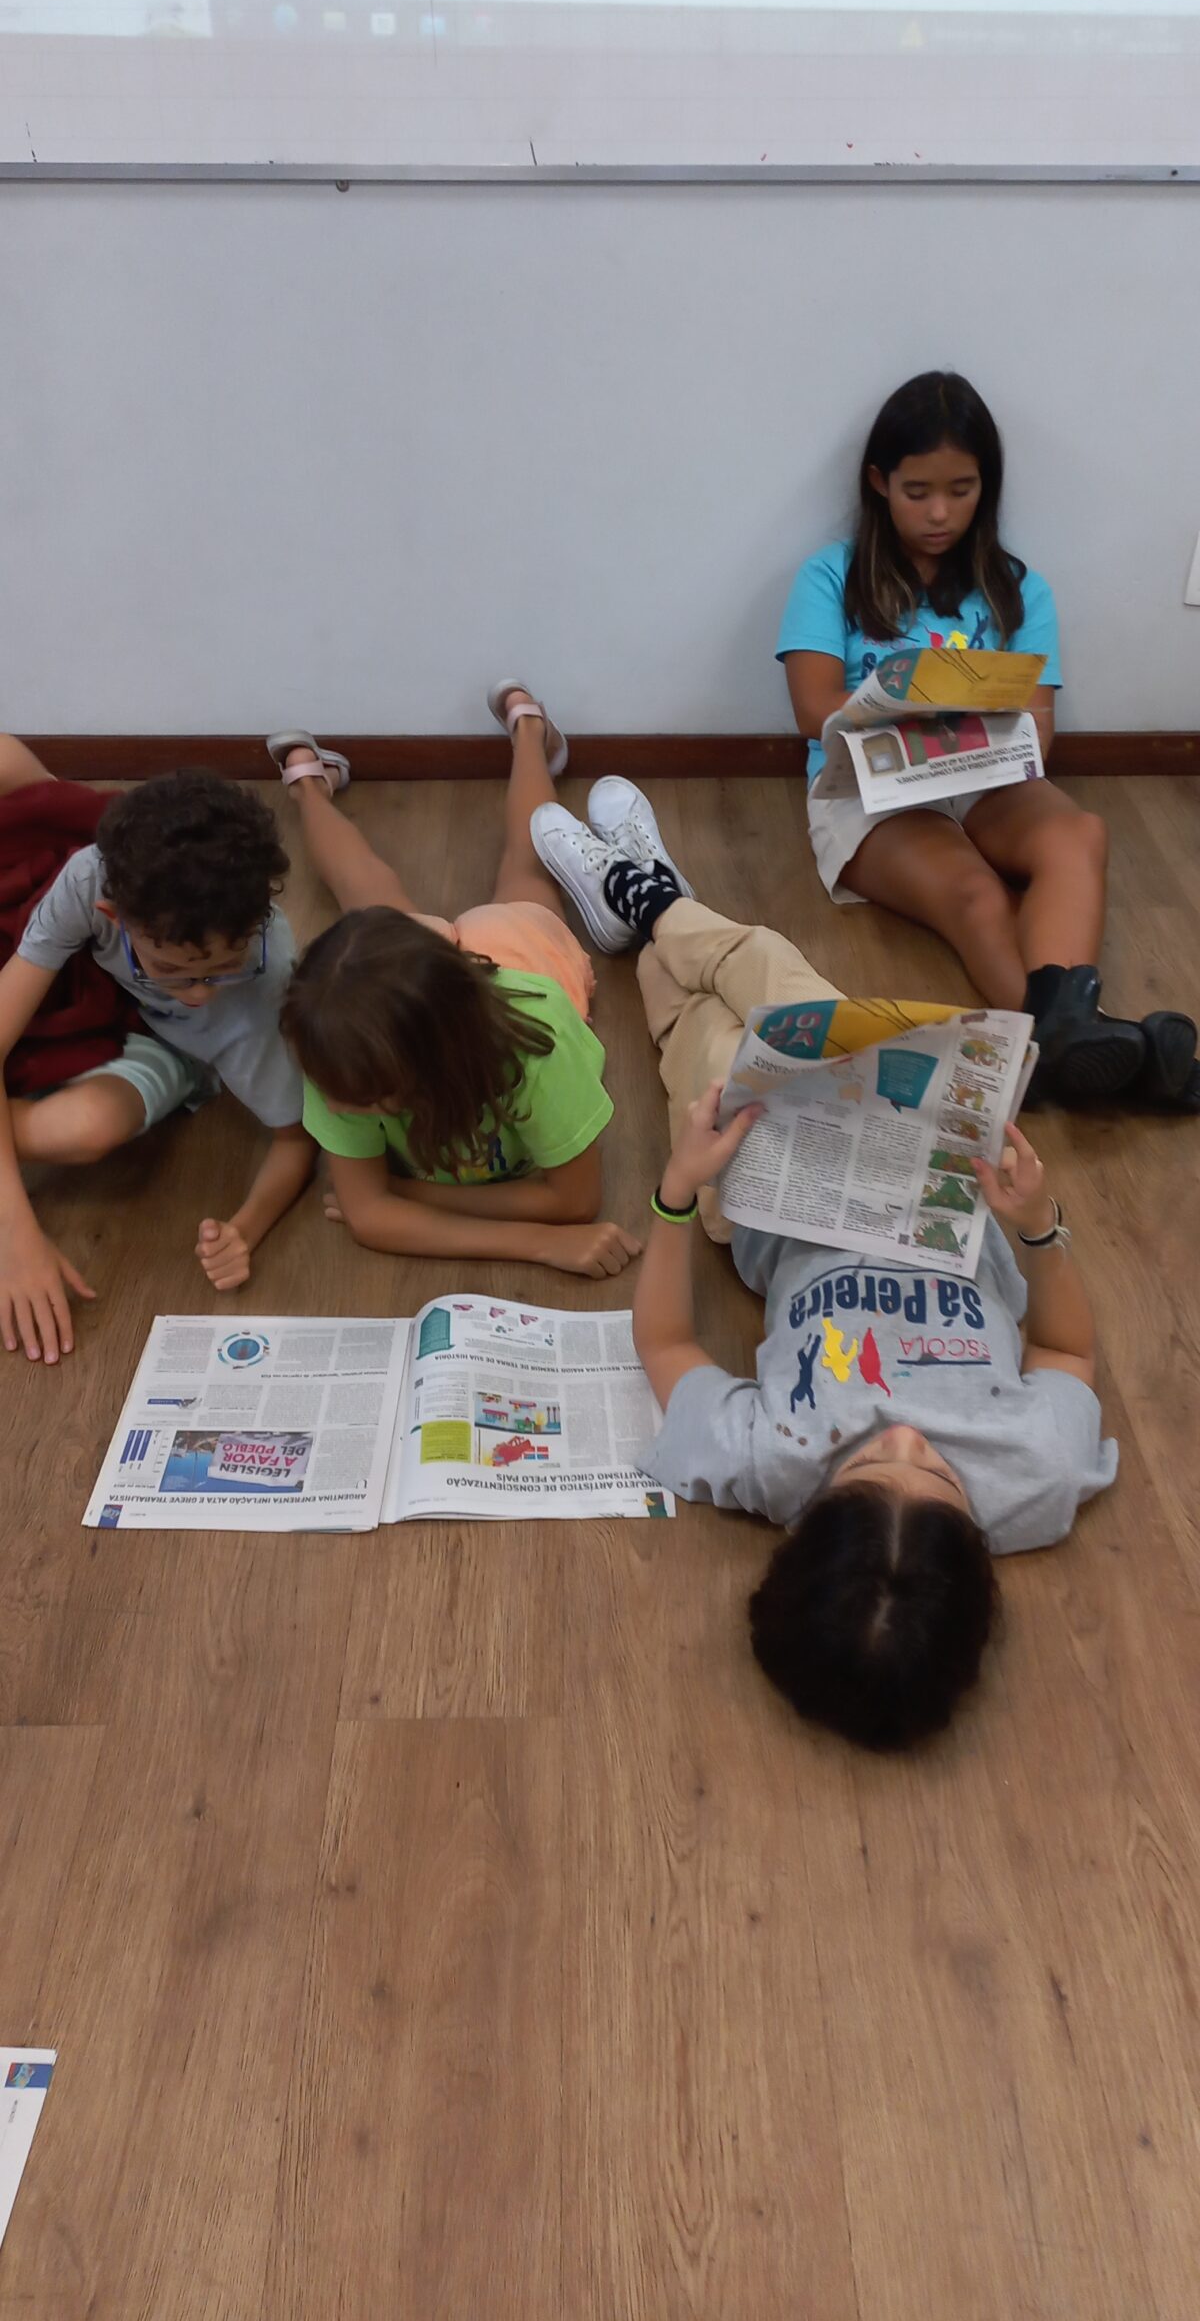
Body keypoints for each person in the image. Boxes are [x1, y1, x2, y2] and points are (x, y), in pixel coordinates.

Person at [530, 782, 1116, 1752]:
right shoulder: (1037, 1473)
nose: (904, 1436)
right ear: (977, 1549)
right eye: (939, 1472)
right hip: (934, 1161)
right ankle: (654, 894)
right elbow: (1067, 1351)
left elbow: (668, 1342)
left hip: (761, 1188)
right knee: (773, 976)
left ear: (805, 1524)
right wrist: (1040, 1228)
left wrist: (676, 1188)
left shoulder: (769, 1463)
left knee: (690, 1026)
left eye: (866, 1464)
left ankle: (645, 905)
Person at [776, 370, 1197, 1110]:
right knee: (973, 893)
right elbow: (814, 710)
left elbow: (1038, 729)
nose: (940, 512)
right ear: (879, 482)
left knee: (1078, 832)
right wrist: (913, 710)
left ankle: (1065, 1044)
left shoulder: (1017, 587)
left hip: (982, 775)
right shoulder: (830, 576)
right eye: (917, 492)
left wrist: (968, 736)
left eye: (961, 490)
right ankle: (1093, 1060)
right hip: (867, 787)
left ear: (987, 486)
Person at [272, 688, 640, 1281]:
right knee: (364, 887)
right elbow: (370, 1215)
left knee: (530, 857)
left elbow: (574, 1202)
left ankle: (530, 732)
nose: (336, 1106)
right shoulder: (335, 1044)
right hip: (416, 987)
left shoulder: (537, 1041)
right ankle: (307, 785)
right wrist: (539, 1244)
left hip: (522, 961)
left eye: (364, 1100)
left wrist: (406, 1193)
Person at [0, 740, 314, 1365]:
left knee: (85, 1128)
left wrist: (245, 1228)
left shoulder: (262, 985)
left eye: (222, 967)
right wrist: (15, 1237)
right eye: (172, 969)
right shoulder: (90, 877)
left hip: (161, 1047)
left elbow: (296, 1136)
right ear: (113, 914)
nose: (199, 993)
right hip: (88, 994)